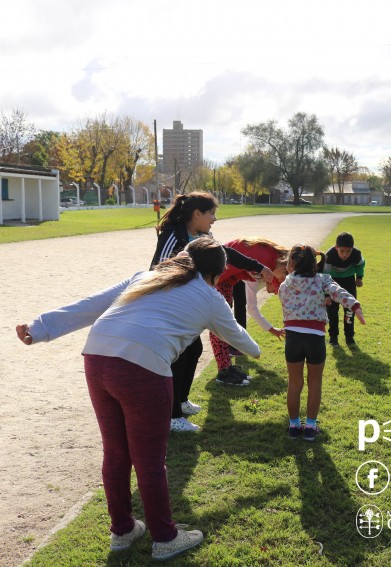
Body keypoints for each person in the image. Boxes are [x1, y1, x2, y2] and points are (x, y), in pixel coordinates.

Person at [16, 238, 260, 560]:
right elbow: (239, 339)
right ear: (218, 273)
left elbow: (91, 304)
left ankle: (123, 530)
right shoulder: (211, 297)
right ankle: (165, 538)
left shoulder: (144, 276)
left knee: (116, 453)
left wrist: (40, 327)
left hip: (97, 358)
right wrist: (258, 349)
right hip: (142, 369)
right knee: (149, 461)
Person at [151, 192, 273, 432]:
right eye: (211, 213)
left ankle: (181, 402)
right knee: (181, 354)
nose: (214, 219)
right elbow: (158, 269)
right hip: (169, 303)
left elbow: (225, 253)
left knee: (194, 348)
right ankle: (172, 415)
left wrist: (258, 266)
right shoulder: (173, 234)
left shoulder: (203, 235)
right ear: (197, 214)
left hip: (187, 303)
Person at [279, 244, 365, 442]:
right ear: (314, 263)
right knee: (314, 383)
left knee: (294, 383)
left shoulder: (285, 284)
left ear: (291, 263)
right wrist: (355, 306)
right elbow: (339, 292)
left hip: (292, 338)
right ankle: (310, 427)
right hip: (315, 338)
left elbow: (287, 303)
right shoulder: (322, 279)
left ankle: (293, 426)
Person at [210, 237, 288, 383]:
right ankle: (223, 372)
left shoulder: (269, 263)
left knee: (223, 323)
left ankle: (226, 367)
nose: (280, 282)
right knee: (219, 325)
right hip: (218, 277)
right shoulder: (265, 258)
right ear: (284, 267)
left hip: (225, 279)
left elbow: (241, 271)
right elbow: (234, 261)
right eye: (283, 278)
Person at [324, 232, 366, 348]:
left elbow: (361, 264)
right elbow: (325, 274)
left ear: (352, 249)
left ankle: (349, 337)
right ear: (336, 247)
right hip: (332, 282)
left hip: (348, 281)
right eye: (342, 251)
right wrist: (326, 294)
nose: (345, 254)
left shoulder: (356, 254)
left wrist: (359, 277)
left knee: (349, 310)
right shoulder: (329, 255)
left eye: (348, 251)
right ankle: (333, 338)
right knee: (332, 312)